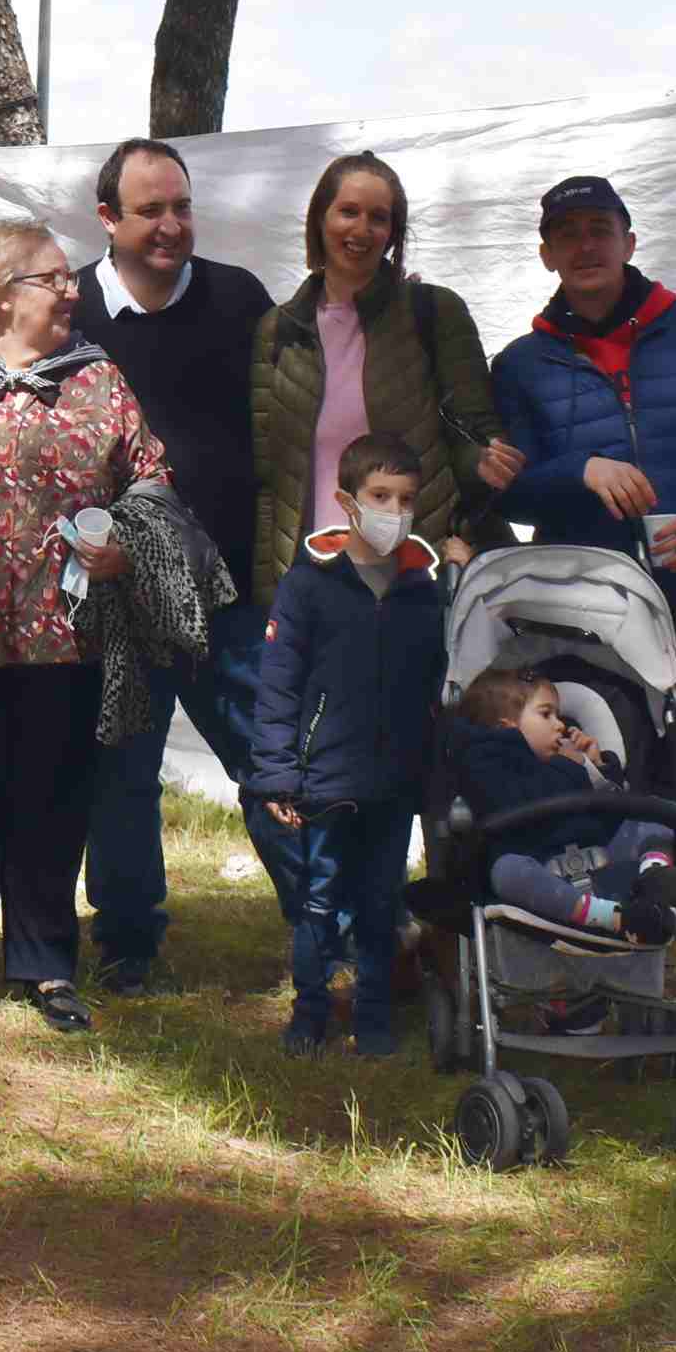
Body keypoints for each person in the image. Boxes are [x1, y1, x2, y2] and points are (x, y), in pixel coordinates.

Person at [489, 173, 676, 1054]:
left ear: (627, 239)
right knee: (599, 795)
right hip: (578, 623)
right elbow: (511, 477)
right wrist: (574, 471)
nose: (585, 246)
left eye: (599, 229)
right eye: (567, 234)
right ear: (546, 252)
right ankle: (594, 975)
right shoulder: (521, 362)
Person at [0, 222, 165, 1032]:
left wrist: (126, 536)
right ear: (1, 292)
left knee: (52, 797)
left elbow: (150, 477)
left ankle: (46, 964)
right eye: (54, 279)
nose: (72, 290)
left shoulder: (97, 378)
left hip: (65, 632)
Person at [64, 137, 277, 994]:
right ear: (108, 218)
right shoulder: (69, 307)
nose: (170, 225)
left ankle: (326, 927)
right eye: (150, 210)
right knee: (122, 777)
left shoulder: (240, 299)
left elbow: (290, 427)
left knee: (273, 762)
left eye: (181, 207)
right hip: (118, 595)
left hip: (227, 591)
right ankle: (127, 945)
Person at [246, 434, 447, 1059]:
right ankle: (309, 1010)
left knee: (381, 897)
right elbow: (278, 682)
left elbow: (442, 685)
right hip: (323, 776)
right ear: (346, 501)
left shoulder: (428, 591)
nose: (394, 510)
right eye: (380, 496)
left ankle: (376, 1014)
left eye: (406, 498)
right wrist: (276, 773)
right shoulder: (309, 586)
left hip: (394, 778)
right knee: (318, 896)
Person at [253, 151, 522, 596]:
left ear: (393, 233)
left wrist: (486, 463)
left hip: (418, 574)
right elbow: (270, 484)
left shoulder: (435, 312)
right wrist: (272, 594)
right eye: (348, 212)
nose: (361, 230)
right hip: (318, 577)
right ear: (320, 219)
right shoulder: (276, 330)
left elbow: (476, 434)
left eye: (378, 218)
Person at [451, 668, 676, 943]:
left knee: (653, 813)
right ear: (507, 727)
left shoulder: (569, 763)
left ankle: (654, 885)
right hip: (544, 880)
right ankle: (615, 918)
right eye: (546, 714)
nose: (560, 724)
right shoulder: (485, 763)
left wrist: (595, 768)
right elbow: (508, 799)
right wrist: (569, 767)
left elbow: (614, 814)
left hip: (603, 866)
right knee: (506, 871)